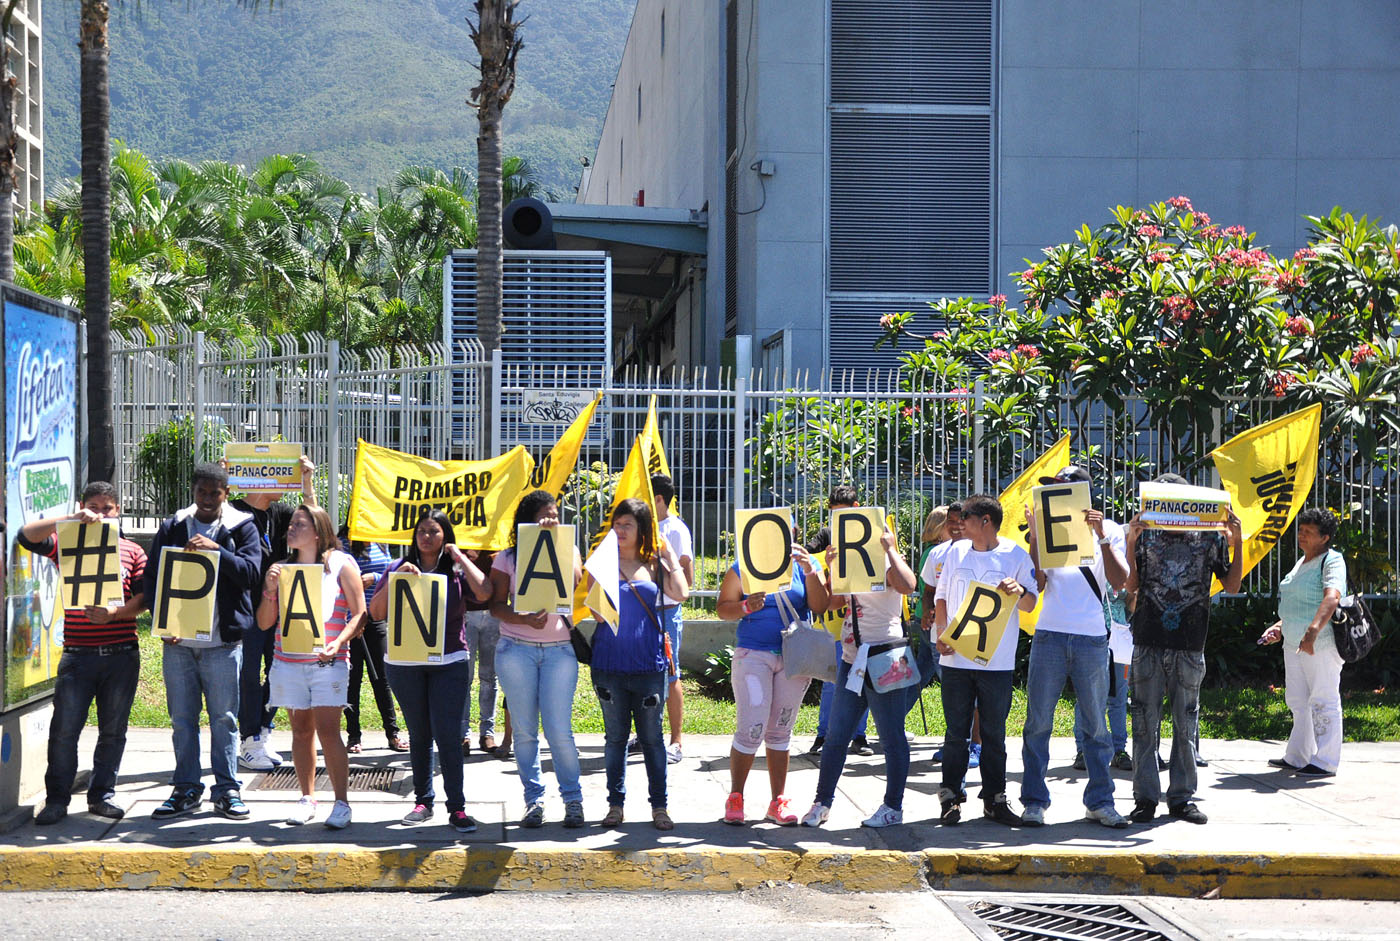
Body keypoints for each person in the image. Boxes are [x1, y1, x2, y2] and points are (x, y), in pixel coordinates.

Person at [24, 482, 148, 825]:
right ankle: (57, 800)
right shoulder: (67, 543)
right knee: (64, 730)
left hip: (121, 653)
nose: (100, 513)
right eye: (93, 506)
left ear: (118, 510)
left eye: (107, 508)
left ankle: (101, 795)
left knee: (113, 730)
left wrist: (115, 614)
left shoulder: (133, 550)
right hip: (77, 654)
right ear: (82, 506)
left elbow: (144, 598)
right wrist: (70, 518)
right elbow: (26, 536)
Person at [144, 463, 262, 821]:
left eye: (215, 492)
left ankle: (227, 790)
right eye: (202, 491)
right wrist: (162, 623)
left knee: (224, 719)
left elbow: (252, 574)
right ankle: (186, 788)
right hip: (178, 643)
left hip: (223, 644)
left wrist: (216, 550)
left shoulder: (241, 526)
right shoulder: (173, 526)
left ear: (226, 493)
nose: (208, 498)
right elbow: (154, 580)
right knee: (182, 720)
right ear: (193, 491)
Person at [1125, 472, 1243, 825]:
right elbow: (1130, 585)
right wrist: (1131, 542)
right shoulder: (1145, 535)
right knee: (1144, 721)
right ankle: (1145, 797)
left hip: (1190, 644)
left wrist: (1237, 542)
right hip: (1147, 639)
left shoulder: (1208, 538)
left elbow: (1233, 585)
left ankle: (1180, 798)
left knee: (1185, 722)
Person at [1019, 465, 1130, 829]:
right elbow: (1035, 585)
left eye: (1062, 487)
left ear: (1081, 491)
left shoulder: (1111, 529)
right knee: (1038, 722)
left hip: (1091, 637)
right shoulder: (1049, 528)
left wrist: (1100, 536)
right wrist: (1035, 537)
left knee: (1097, 727)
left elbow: (1119, 583)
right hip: (1049, 633)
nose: (1055, 493)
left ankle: (1099, 801)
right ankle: (1034, 801)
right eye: (1053, 487)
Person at [368, 509, 491, 834]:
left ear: (445, 536)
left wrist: (460, 556)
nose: (426, 537)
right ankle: (423, 801)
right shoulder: (398, 567)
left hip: (448, 663)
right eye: (421, 531)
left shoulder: (456, 572)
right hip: (406, 664)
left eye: (434, 532)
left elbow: (485, 592)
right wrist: (397, 582)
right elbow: (375, 612)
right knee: (420, 734)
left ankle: (458, 808)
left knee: (448, 735)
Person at [256, 504, 366, 829]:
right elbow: (264, 623)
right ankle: (307, 797)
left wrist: (339, 641)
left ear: (317, 532)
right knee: (301, 731)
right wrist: (269, 590)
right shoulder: (281, 567)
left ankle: (342, 802)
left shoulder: (341, 564)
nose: (291, 529)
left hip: (327, 662)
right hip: (288, 661)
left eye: (299, 524)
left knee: (329, 731)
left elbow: (359, 614)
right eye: (290, 524)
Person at [803, 526, 919, 828]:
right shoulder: (848, 564)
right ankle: (822, 802)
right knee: (836, 736)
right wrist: (827, 570)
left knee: (891, 735)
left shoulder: (888, 561)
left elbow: (908, 585)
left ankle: (893, 807)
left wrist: (891, 549)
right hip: (852, 659)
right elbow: (831, 603)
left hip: (887, 656)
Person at [933, 493, 1037, 826]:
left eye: (965, 517)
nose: (959, 522)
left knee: (994, 733)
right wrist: (941, 635)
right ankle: (951, 796)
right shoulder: (955, 552)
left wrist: (1018, 590)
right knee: (955, 733)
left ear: (986, 521)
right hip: (956, 662)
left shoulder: (1015, 555)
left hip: (996, 663)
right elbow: (941, 597)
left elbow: (1031, 603)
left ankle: (994, 799)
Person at [587, 499, 690, 829]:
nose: (619, 530)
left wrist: (668, 556)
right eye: (616, 524)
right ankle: (615, 805)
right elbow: (596, 614)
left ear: (642, 529)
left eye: (627, 525)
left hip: (649, 665)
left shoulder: (654, 564)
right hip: (609, 665)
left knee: (652, 740)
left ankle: (659, 807)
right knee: (615, 739)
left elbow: (682, 593)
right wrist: (599, 574)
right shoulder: (603, 563)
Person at [716, 523, 829, 825]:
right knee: (751, 726)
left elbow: (820, 605)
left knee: (781, 729)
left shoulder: (808, 563)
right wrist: (744, 605)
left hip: (795, 657)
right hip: (754, 655)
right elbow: (723, 608)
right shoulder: (743, 567)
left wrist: (810, 571)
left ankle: (777, 801)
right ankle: (735, 796)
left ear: (793, 532)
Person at [491, 490, 586, 829]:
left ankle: (573, 800)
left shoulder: (568, 547)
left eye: (556, 515)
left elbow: (575, 581)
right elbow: (496, 605)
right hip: (516, 649)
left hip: (559, 651)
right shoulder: (507, 558)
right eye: (546, 516)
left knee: (560, 731)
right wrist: (523, 619)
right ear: (528, 520)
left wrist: (553, 538)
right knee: (526, 732)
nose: (553, 520)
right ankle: (534, 800)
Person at [232, 454, 316, 773]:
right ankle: (248, 740)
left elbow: (314, 522)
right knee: (249, 674)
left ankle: (262, 732)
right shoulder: (236, 512)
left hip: (282, 605)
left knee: (280, 671)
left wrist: (307, 481)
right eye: (280, 476)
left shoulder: (279, 512)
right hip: (246, 608)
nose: (286, 483)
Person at [1259, 508, 1346, 777]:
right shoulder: (1301, 562)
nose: (1301, 535)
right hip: (1294, 643)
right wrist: (1279, 627)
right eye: (1301, 530)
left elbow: (1331, 598)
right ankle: (1298, 756)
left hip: (1319, 643)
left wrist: (1312, 632)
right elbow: (1297, 604)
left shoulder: (1332, 560)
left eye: (1309, 532)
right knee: (1297, 700)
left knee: (1324, 699)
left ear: (1325, 537)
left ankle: (1326, 761)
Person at [806, 485, 872, 758]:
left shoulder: (871, 533)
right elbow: (808, 558)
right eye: (833, 515)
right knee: (833, 681)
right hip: (834, 621)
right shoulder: (826, 535)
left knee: (863, 680)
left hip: (866, 618)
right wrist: (826, 560)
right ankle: (825, 734)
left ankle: (859, 735)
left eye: (843, 514)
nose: (838, 521)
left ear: (856, 508)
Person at [918, 502, 982, 767]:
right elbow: (929, 591)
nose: (956, 526)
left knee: (975, 695)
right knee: (952, 694)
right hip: (941, 636)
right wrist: (926, 611)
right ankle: (955, 742)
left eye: (960, 521)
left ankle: (977, 745)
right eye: (951, 522)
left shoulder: (981, 552)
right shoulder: (937, 554)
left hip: (974, 634)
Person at [337, 526, 407, 754]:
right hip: (352, 622)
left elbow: (389, 574)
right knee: (352, 681)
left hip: (376, 618)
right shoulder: (343, 544)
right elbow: (337, 579)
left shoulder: (380, 540)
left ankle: (392, 733)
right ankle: (354, 735)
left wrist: (374, 577)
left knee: (382, 678)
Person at [651, 474, 694, 765]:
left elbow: (686, 579)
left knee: (670, 674)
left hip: (666, 613)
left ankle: (676, 741)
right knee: (644, 675)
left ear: (658, 499)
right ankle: (647, 735)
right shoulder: (637, 527)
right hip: (642, 611)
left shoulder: (675, 530)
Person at [1074, 585, 1134, 771]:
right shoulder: (1085, 559)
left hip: (1119, 638)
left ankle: (1119, 750)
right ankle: (1083, 749)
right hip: (1090, 637)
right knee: (1087, 697)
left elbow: (1130, 605)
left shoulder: (1125, 562)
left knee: (1119, 698)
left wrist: (1136, 595)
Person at [461, 549, 502, 758]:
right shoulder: (458, 543)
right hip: (465, 614)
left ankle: (487, 732)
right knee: (463, 678)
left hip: (493, 614)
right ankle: (463, 734)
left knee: (489, 677)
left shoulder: (496, 545)